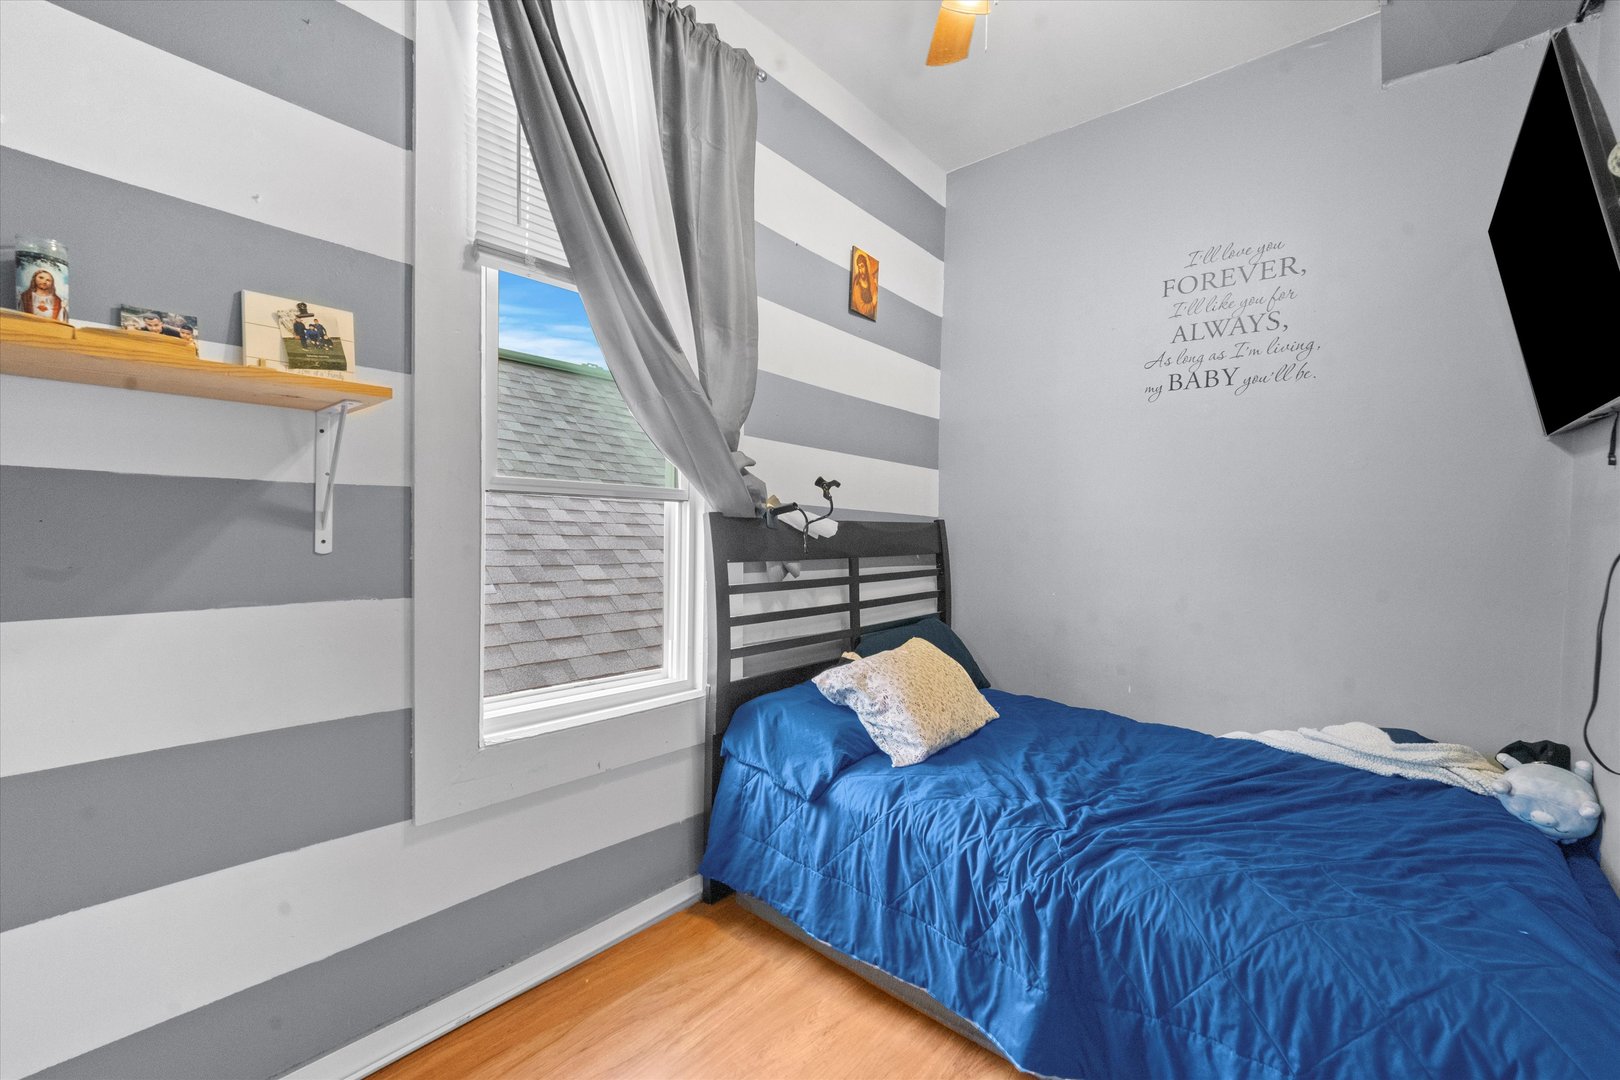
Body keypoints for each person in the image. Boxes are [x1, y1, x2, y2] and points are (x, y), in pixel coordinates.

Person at [850, 251, 877, 319]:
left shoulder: (870, 280)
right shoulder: (857, 285)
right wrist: (873, 304)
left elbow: (875, 294)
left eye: (862, 266)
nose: (861, 270)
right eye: (859, 267)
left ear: (866, 266)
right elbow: (862, 309)